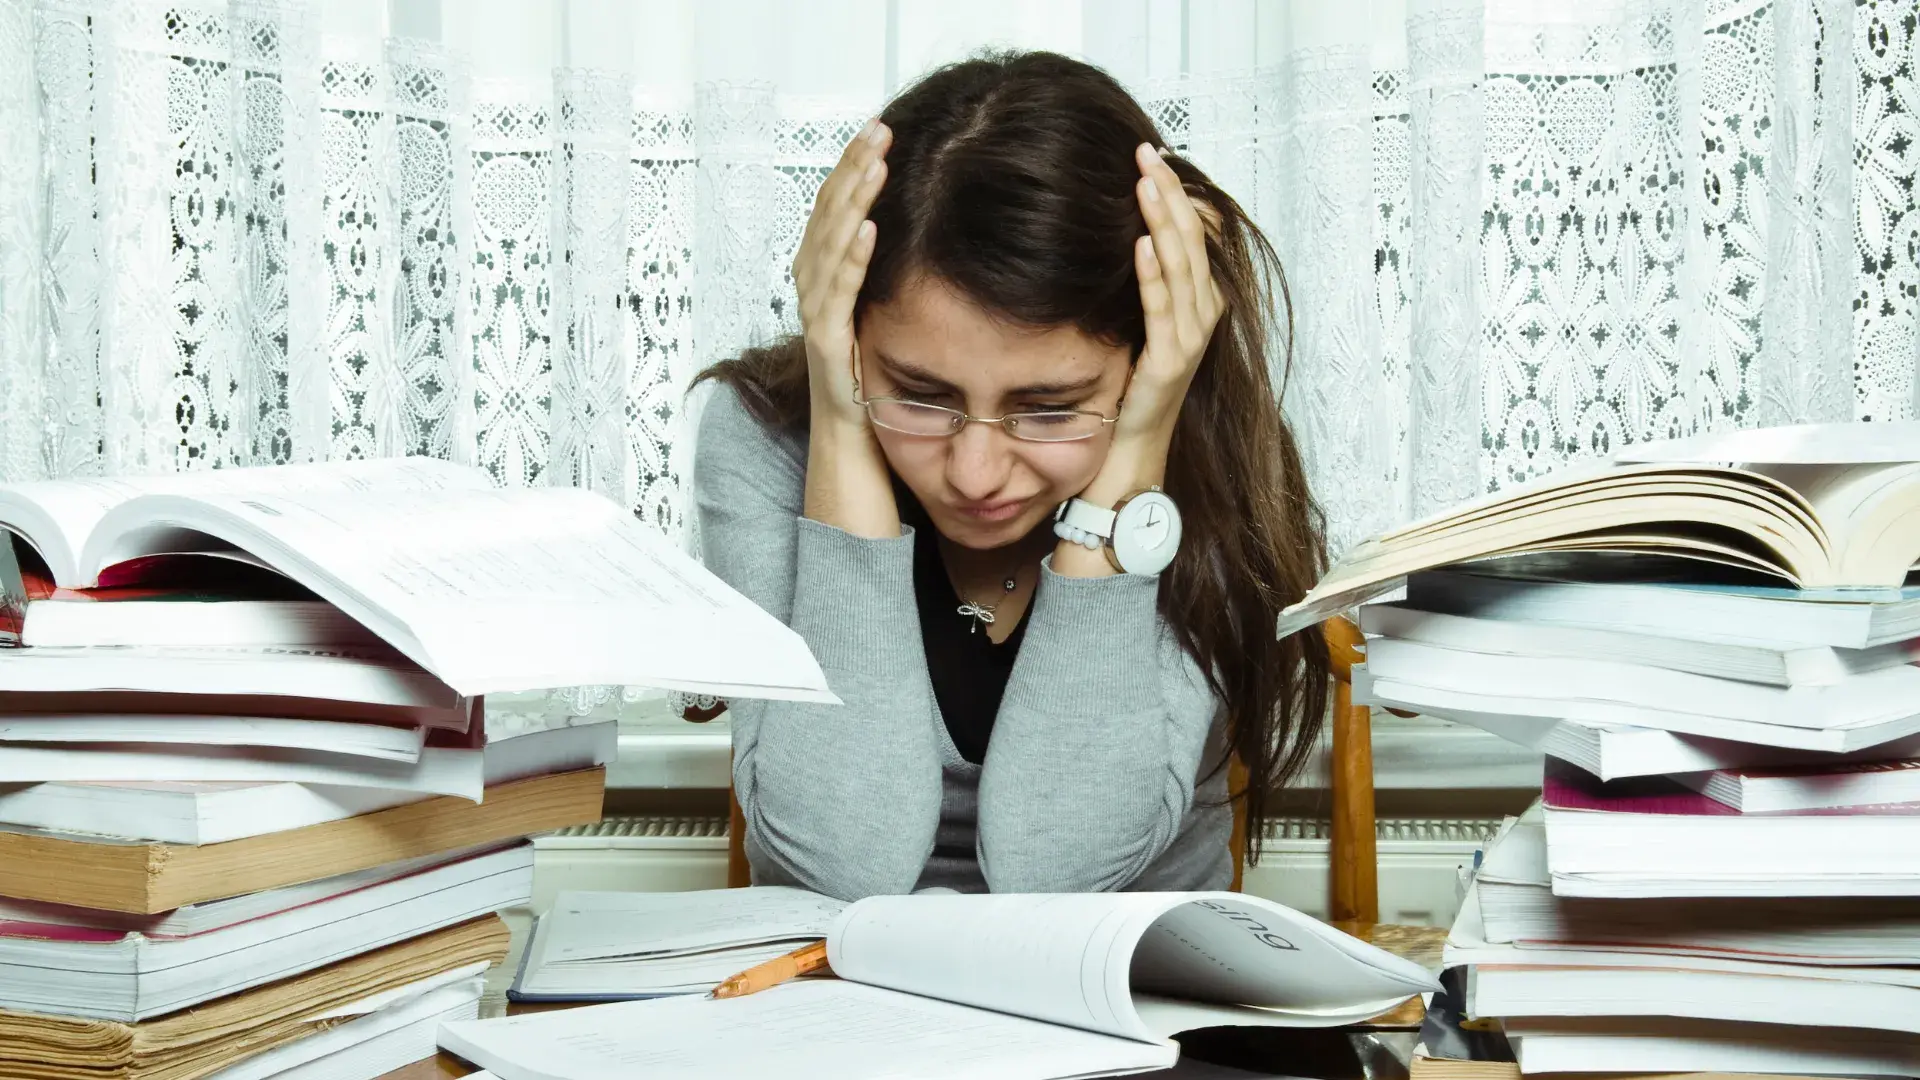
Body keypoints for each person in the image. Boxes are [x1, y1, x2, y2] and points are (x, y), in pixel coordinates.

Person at [694, 50, 1330, 900]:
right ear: (845, 338)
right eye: (919, 394)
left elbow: (1057, 872)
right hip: (842, 1001)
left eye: (1052, 408)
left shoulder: (1197, 453)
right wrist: (842, 418)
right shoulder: (765, 442)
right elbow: (839, 867)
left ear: (1150, 365)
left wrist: (1133, 460)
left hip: (1136, 1006)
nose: (977, 470)